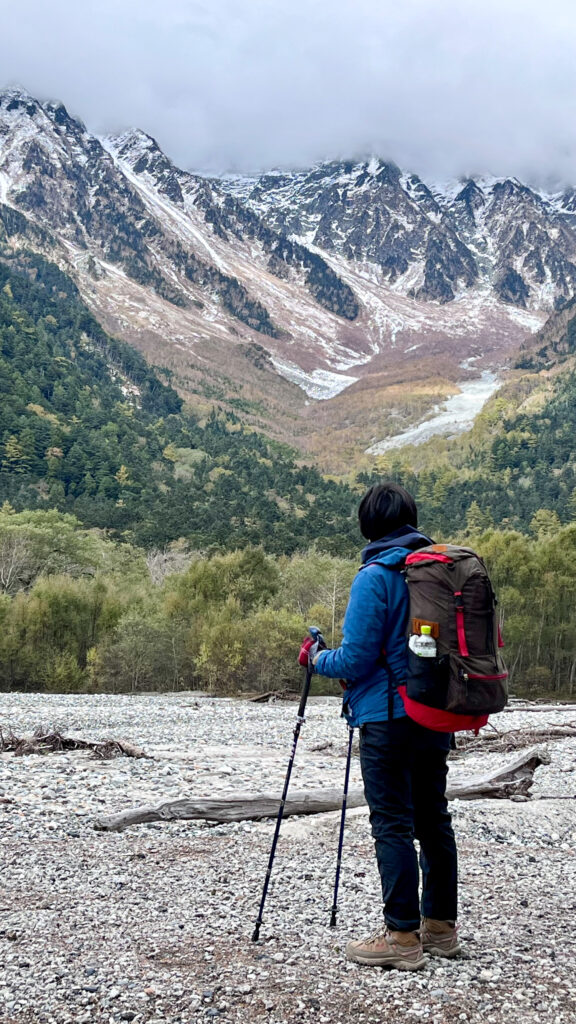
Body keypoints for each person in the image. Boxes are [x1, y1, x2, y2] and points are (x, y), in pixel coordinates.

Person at [300, 482, 459, 971]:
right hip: (434, 714)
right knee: (433, 817)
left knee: (391, 822)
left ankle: (401, 937)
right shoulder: (438, 572)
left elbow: (357, 658)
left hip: (387, 719)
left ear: (367, 525)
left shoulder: (374, 576)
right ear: (411, 520)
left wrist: (315, 658)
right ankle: (440, 929)